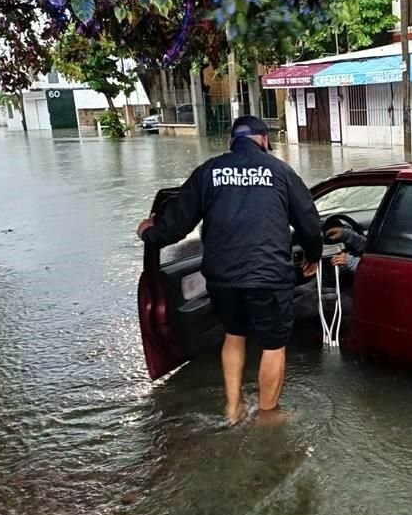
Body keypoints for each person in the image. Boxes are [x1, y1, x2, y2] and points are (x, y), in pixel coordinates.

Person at [137, 116, 323, 425]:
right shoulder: (280, 171)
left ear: (231, 141)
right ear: (263, 140)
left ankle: (233, 407)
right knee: (273, 344)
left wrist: (148, 233)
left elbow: (177, 224)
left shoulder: (209, 171)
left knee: (234, 336)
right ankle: (268, 414)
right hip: (268, 276)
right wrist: (313, 256)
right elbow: (309, 222)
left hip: (222, 277)